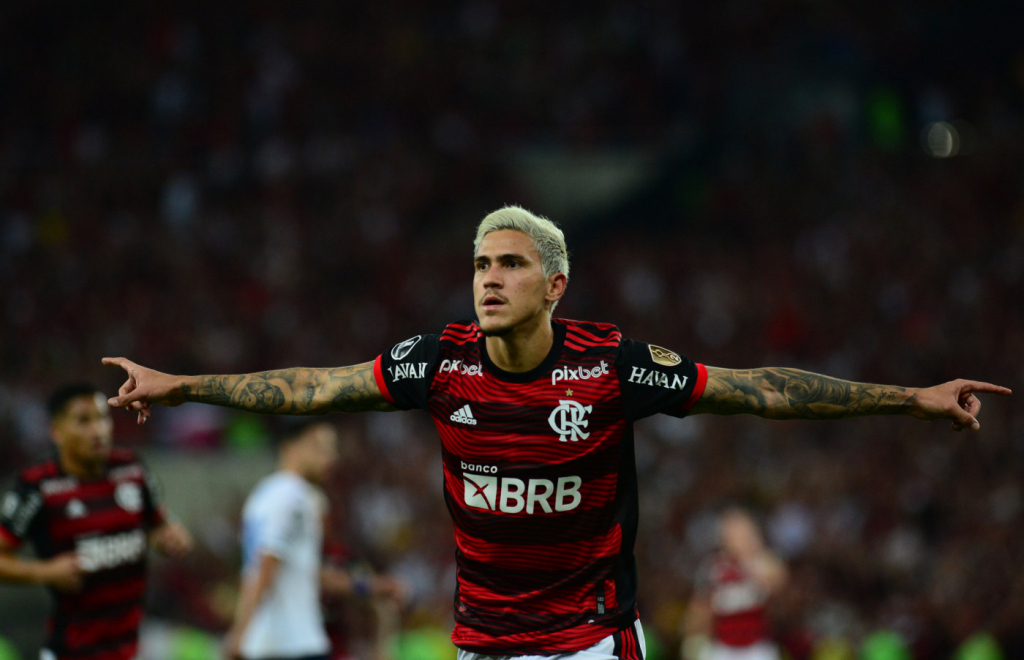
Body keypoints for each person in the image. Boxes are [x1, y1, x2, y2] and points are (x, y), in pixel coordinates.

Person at [102, 206, 1010, 660]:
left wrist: (911, 399)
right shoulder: (439, 362)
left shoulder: (613, 366)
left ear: (555, 285)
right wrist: (182, 386)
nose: (488, 279)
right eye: (479, 264)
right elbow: (311, 388)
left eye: (510, 264)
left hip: (589, 639)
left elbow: (762, 391)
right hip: (482, 639)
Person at [0, 383, 193, 660]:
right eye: (83, 421)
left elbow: (160, 525)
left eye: (102, 418)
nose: (98, 430)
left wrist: (169, 537)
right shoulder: (38, 486)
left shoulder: (131, 469)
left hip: (130, 649)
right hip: (72, 651)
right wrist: (45, 572)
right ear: (56, 431)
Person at [224, 420, 404, 660]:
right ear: (290, 447)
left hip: (285, 643)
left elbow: (308, 574)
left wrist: (372, 586)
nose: (330, 457)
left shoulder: (282, 496)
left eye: (331, 449)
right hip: (287, 645)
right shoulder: (289, 497)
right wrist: (240, 632)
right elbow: (267, 564)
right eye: (319, 447)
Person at [682, 509, 787, 660]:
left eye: (740, 531)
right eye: (730, 531)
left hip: (758, 647)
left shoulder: (763, 560)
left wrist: (746, 558)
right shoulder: (714, 567)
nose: (735, 536)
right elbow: (699, 607)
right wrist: (692, 637)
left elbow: (778, 583)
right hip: (723, 647)